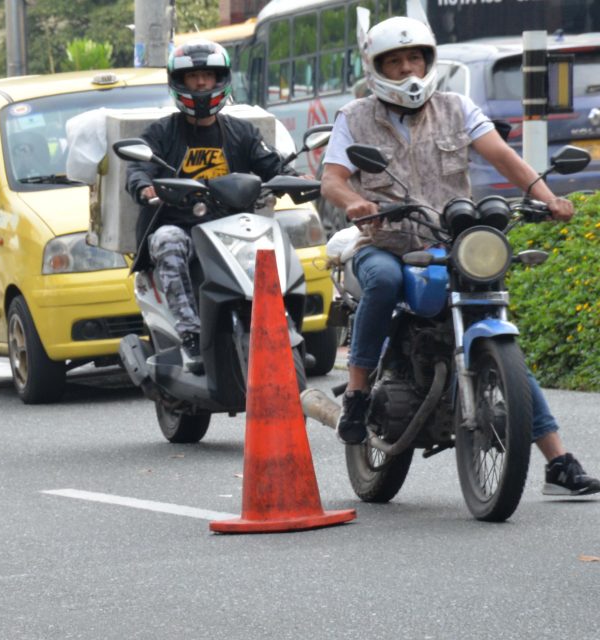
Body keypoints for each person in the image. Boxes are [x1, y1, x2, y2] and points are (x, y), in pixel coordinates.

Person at [321, 16, 600, 496]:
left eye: (414, 58)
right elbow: (332, 180)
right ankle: (359, 392)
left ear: (428, 60)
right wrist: (356, 203)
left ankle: (558, 462)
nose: (407, 68)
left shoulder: (456, 107)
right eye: (394, 60)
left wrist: (547, 196)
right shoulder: (355, 117)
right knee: (384, 281)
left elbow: (502, 157)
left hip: (451, 244)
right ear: (377, 67)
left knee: (493, 326)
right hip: (385, 243)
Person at [125, 39, 296, 374]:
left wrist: (293, 177)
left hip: (231, 227)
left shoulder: (241, 133)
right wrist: (145, 187)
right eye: (193, 77)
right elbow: (138, 167)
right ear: (179, 82)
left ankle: (282, 322)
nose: (201, 83)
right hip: (181, 225)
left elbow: (271, 164)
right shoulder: (161, 132)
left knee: (273, 240)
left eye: (207, 75)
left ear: (221, 79)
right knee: (167, 240)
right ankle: (190, 335)